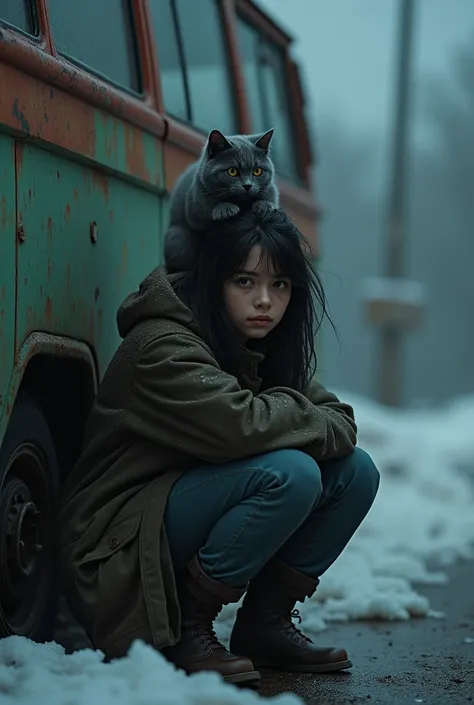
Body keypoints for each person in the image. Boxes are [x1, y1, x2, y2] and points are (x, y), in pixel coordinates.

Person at [59, 205, 380, 686]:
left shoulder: (257, 342)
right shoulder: (162, 345)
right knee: (292, 474)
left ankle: (266, 623)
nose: (265, 301)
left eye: (280, 285)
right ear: (212, 280)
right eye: (245, 282)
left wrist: (285, 414)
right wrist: (290, 416)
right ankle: (189, 627)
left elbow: (342, 423)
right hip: (117, 544)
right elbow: (243, 427)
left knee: (355, 472)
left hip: (174, 510)